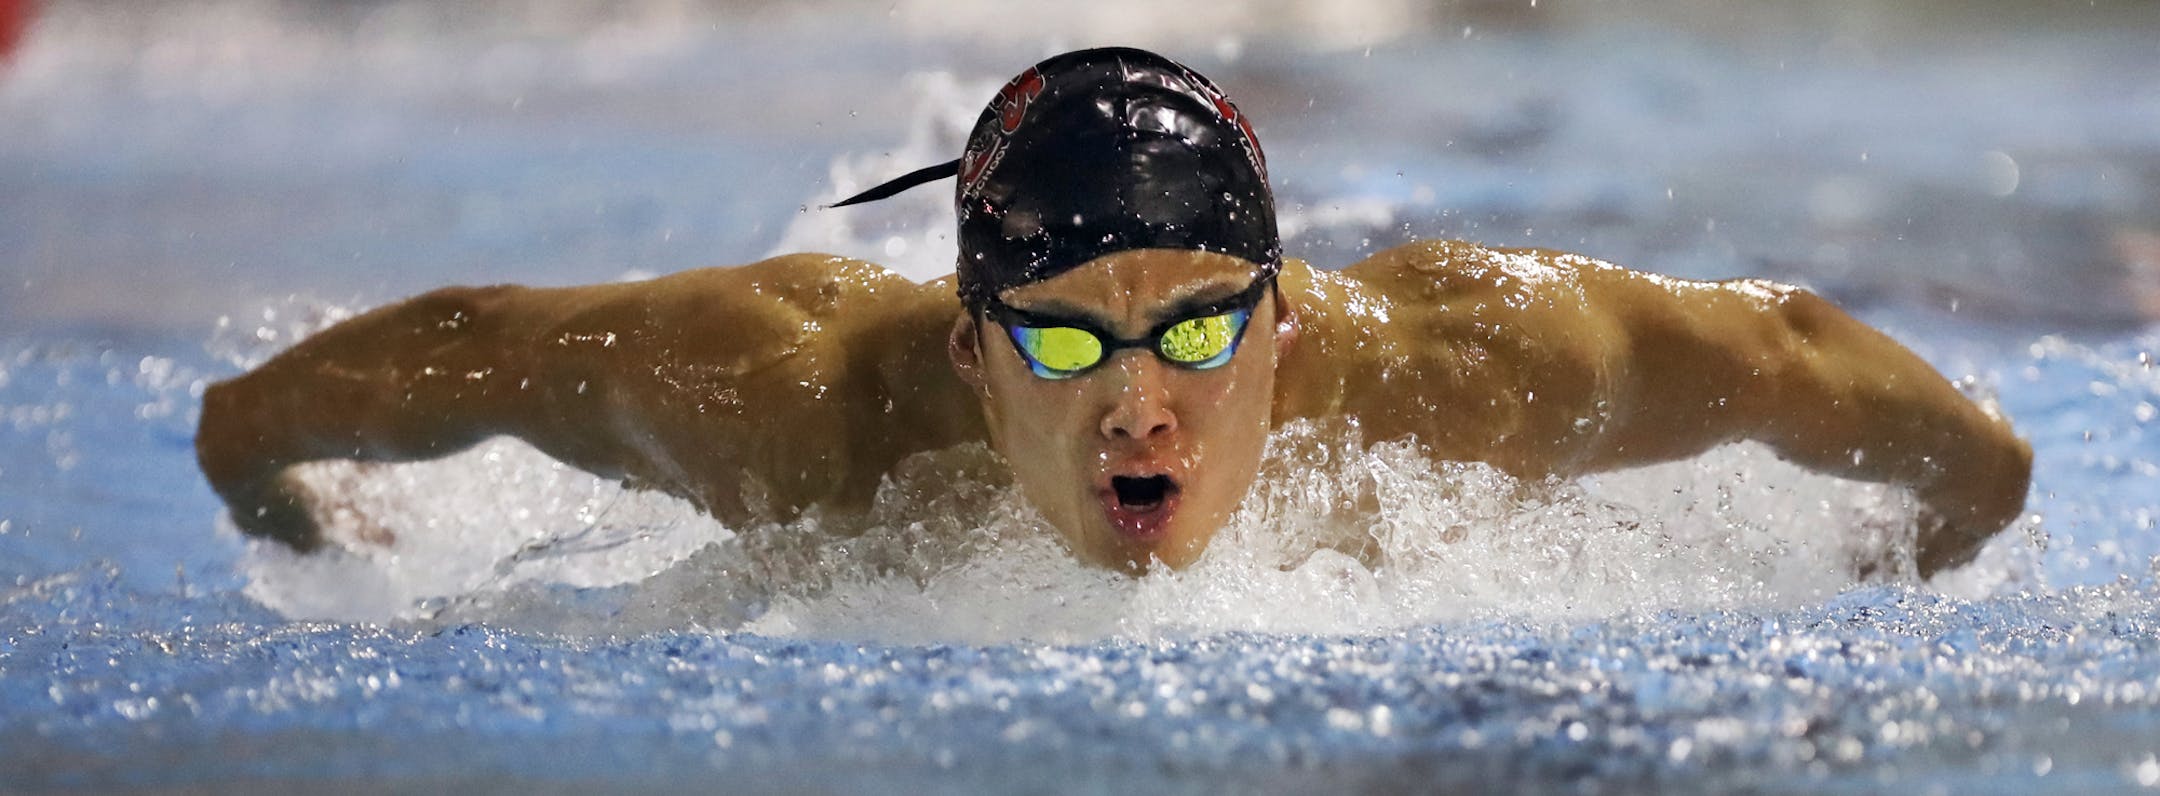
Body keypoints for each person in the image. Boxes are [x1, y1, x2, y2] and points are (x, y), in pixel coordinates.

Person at [195, 47, 2031, 579]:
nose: (1141, 408)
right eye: (1066, 339)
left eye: (1201, 331)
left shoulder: (1458, 375)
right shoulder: (783, 401)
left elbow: (1807, 363)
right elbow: (440, 360)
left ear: (1285, 324)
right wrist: (296, 516)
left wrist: (1915, 554)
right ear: (966, 348)